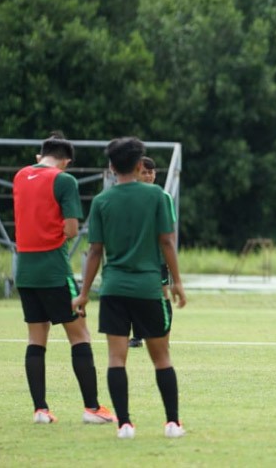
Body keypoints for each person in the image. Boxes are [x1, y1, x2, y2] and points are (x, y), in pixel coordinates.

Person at [72, 137, 188, 439]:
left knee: (116, 359)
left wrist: (84, 293)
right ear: (140, 165)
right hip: (149, 289)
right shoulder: (157, 197)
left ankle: (124, 424)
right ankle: (172, 423)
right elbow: (167, 242)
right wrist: (176, 283)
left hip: (113, 290)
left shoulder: (101, 201)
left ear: (111, 167)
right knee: (162, 358)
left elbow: (94, 251)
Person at [12, 132, 115, 425]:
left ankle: (40, 409)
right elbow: (71, 230)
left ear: (38, 156)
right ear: (66, 161)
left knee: (36, 339)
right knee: (79, 335)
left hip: (26, 270)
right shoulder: (64, 180)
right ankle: (92, 408)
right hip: (54, 270)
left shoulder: (20, 176)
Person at [128, 156, 173, 349]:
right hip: (135, 257)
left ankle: (164, 337)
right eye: (144, 172)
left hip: (158, 259)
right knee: (135, 297)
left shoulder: (163, 197)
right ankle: (137, 336)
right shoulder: (129, 197)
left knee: (162, 296)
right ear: (136, 174)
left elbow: (169, 230)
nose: (148, 176)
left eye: (151, 172)